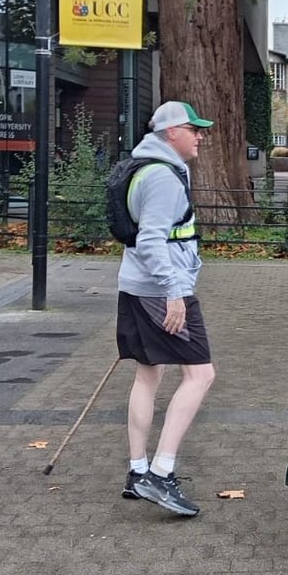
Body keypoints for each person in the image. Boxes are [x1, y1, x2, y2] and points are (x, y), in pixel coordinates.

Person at [116, 100, 216, 516]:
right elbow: (152, 239)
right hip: (163, 291)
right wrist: (174, 291)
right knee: (200, 375)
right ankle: (160, 472)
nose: (200, 136)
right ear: (172, 132)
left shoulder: (145, 167)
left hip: (137, 286)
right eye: (193, 129)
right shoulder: (163, 178)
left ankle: (138, 471)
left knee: (148, 373)